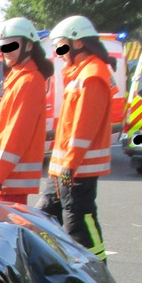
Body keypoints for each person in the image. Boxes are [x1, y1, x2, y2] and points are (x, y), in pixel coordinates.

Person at [37, 15, 112, 259]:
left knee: (79, 220)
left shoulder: (92, 74)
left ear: (78, 43)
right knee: (46, 214)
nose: (57, 53)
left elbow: (83, 127)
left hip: (77, 168)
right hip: (64, 168)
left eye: (60, 46)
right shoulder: (80, 73)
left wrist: (70, 164)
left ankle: (95, 270)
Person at [0, 17, 53, 206]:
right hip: (8, 180)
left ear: (29, 46)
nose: (5, 51)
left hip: (9, 180)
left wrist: (0, 173)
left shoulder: (28, 81)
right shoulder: (19, 79)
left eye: (11, 45)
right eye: (3, 46)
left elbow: (18, 132)